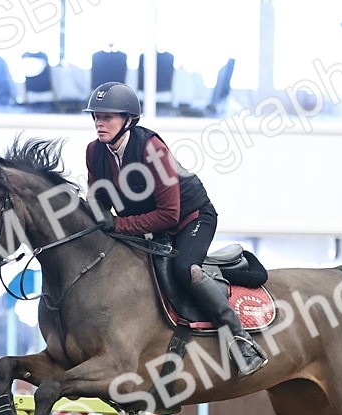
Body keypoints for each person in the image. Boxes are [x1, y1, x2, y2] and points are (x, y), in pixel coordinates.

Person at [83, 81, 267, 376]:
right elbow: (98, 200)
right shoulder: (95, 151)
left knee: (185, 269)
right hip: (150, 225)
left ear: (128, 120)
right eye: (96, 117)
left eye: (107, 117)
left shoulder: (151, 148)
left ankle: (240, 340)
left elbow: (169, 215)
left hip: (191, 218)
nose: (99, 123)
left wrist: (118, 224)